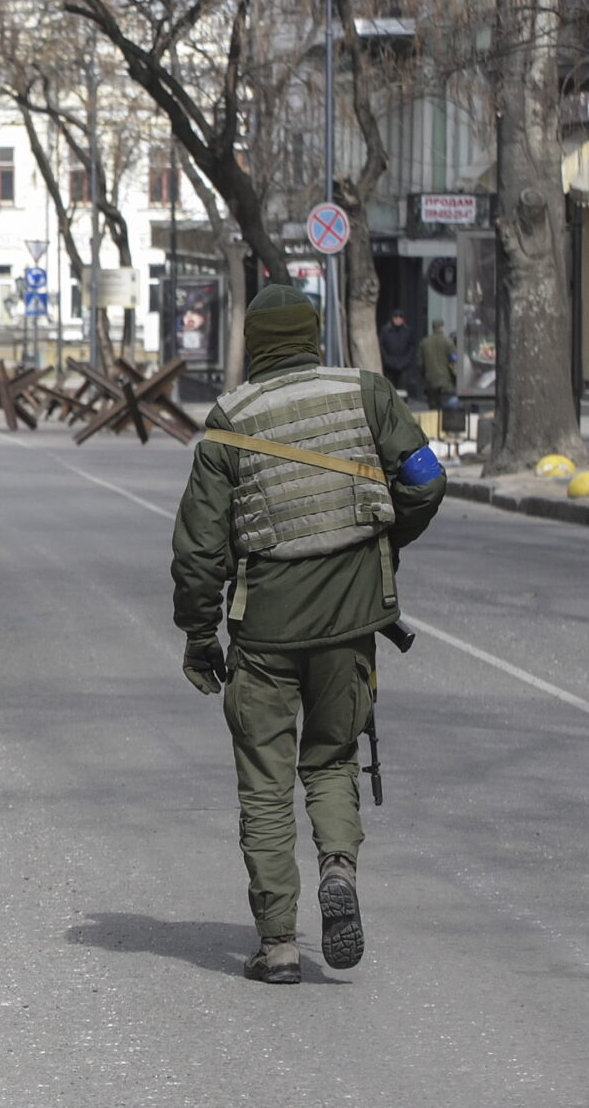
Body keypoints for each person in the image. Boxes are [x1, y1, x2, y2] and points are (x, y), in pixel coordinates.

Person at [171, 285, 444, 984]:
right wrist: (380, 545)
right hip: (351, 624)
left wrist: (201, 638)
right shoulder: (367, 393)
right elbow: (426, 477)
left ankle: (280, 944)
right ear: (313, 333)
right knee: (330, 760)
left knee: (265, 784)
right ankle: (339, 868)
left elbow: (200, 553)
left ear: (256, 341)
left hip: (261, 632)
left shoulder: (230, 420)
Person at [377, 309, 420, 399]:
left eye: (400, 317)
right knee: (389, 388)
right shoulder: (386, 330)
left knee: (403, 389)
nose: (398, 319)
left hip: (403, 365)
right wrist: (387, 360)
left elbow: (412, 347)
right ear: (392, 319)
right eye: (396, 317)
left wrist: (406, 361)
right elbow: (382, 346)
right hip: (389, 365)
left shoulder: (407, 331)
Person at [418, 320, 457, 411]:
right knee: (446, 407)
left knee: (433, 407)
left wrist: (424, 375)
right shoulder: (449, 342)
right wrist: (455, 377)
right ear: (442, 327)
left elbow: (420, 363)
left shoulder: (424, 343)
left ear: (433, 327)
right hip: (446, 380)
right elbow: (453, 361)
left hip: (431, 380)